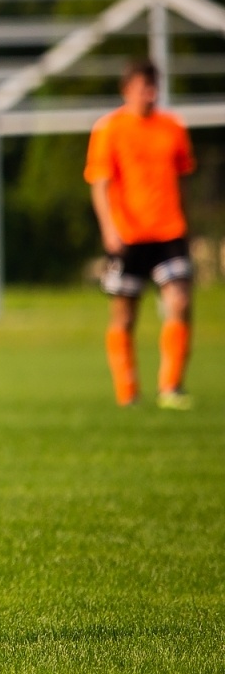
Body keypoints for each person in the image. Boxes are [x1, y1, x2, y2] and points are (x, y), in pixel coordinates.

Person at [85, 58, 195, 410]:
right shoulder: (109, 129)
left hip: (168, 231)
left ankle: (171, 387)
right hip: (128, 235)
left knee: (179, 300)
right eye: (143, 86)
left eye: (154, 86)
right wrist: (108, 228)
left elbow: (182, 176)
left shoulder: (172, 127)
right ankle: (127, 391)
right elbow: (100, 183)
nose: (150, 93)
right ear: (126, 90)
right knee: (125, 315)